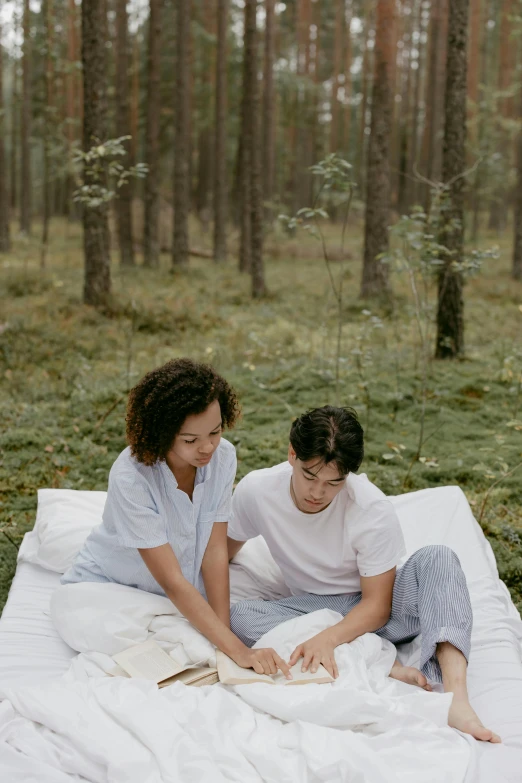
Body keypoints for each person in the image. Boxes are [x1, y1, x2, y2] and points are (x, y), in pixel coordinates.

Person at [227, 405, 500, 743]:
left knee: (438, 558)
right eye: (309, 476)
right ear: (291, 454)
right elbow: (221, 551)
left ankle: (457, 697)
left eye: (333, 483)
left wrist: (327, 638)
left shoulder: (370, 509)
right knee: (240, 616)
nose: (317, 492)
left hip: (380, 612)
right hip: (314, 609)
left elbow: (377, 605)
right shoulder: (257, 491)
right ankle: (381, 663)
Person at [61, 358, 291, 679]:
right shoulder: (131, 477)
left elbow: (214, 551)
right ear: (162, 432)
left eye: (215, 431)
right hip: (112, 588)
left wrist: (226, 639)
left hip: (180, 589)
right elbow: (170, 580)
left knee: (205, 642)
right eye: (190, 439)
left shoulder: (223, 457)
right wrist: (237, 649)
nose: (207, 447)